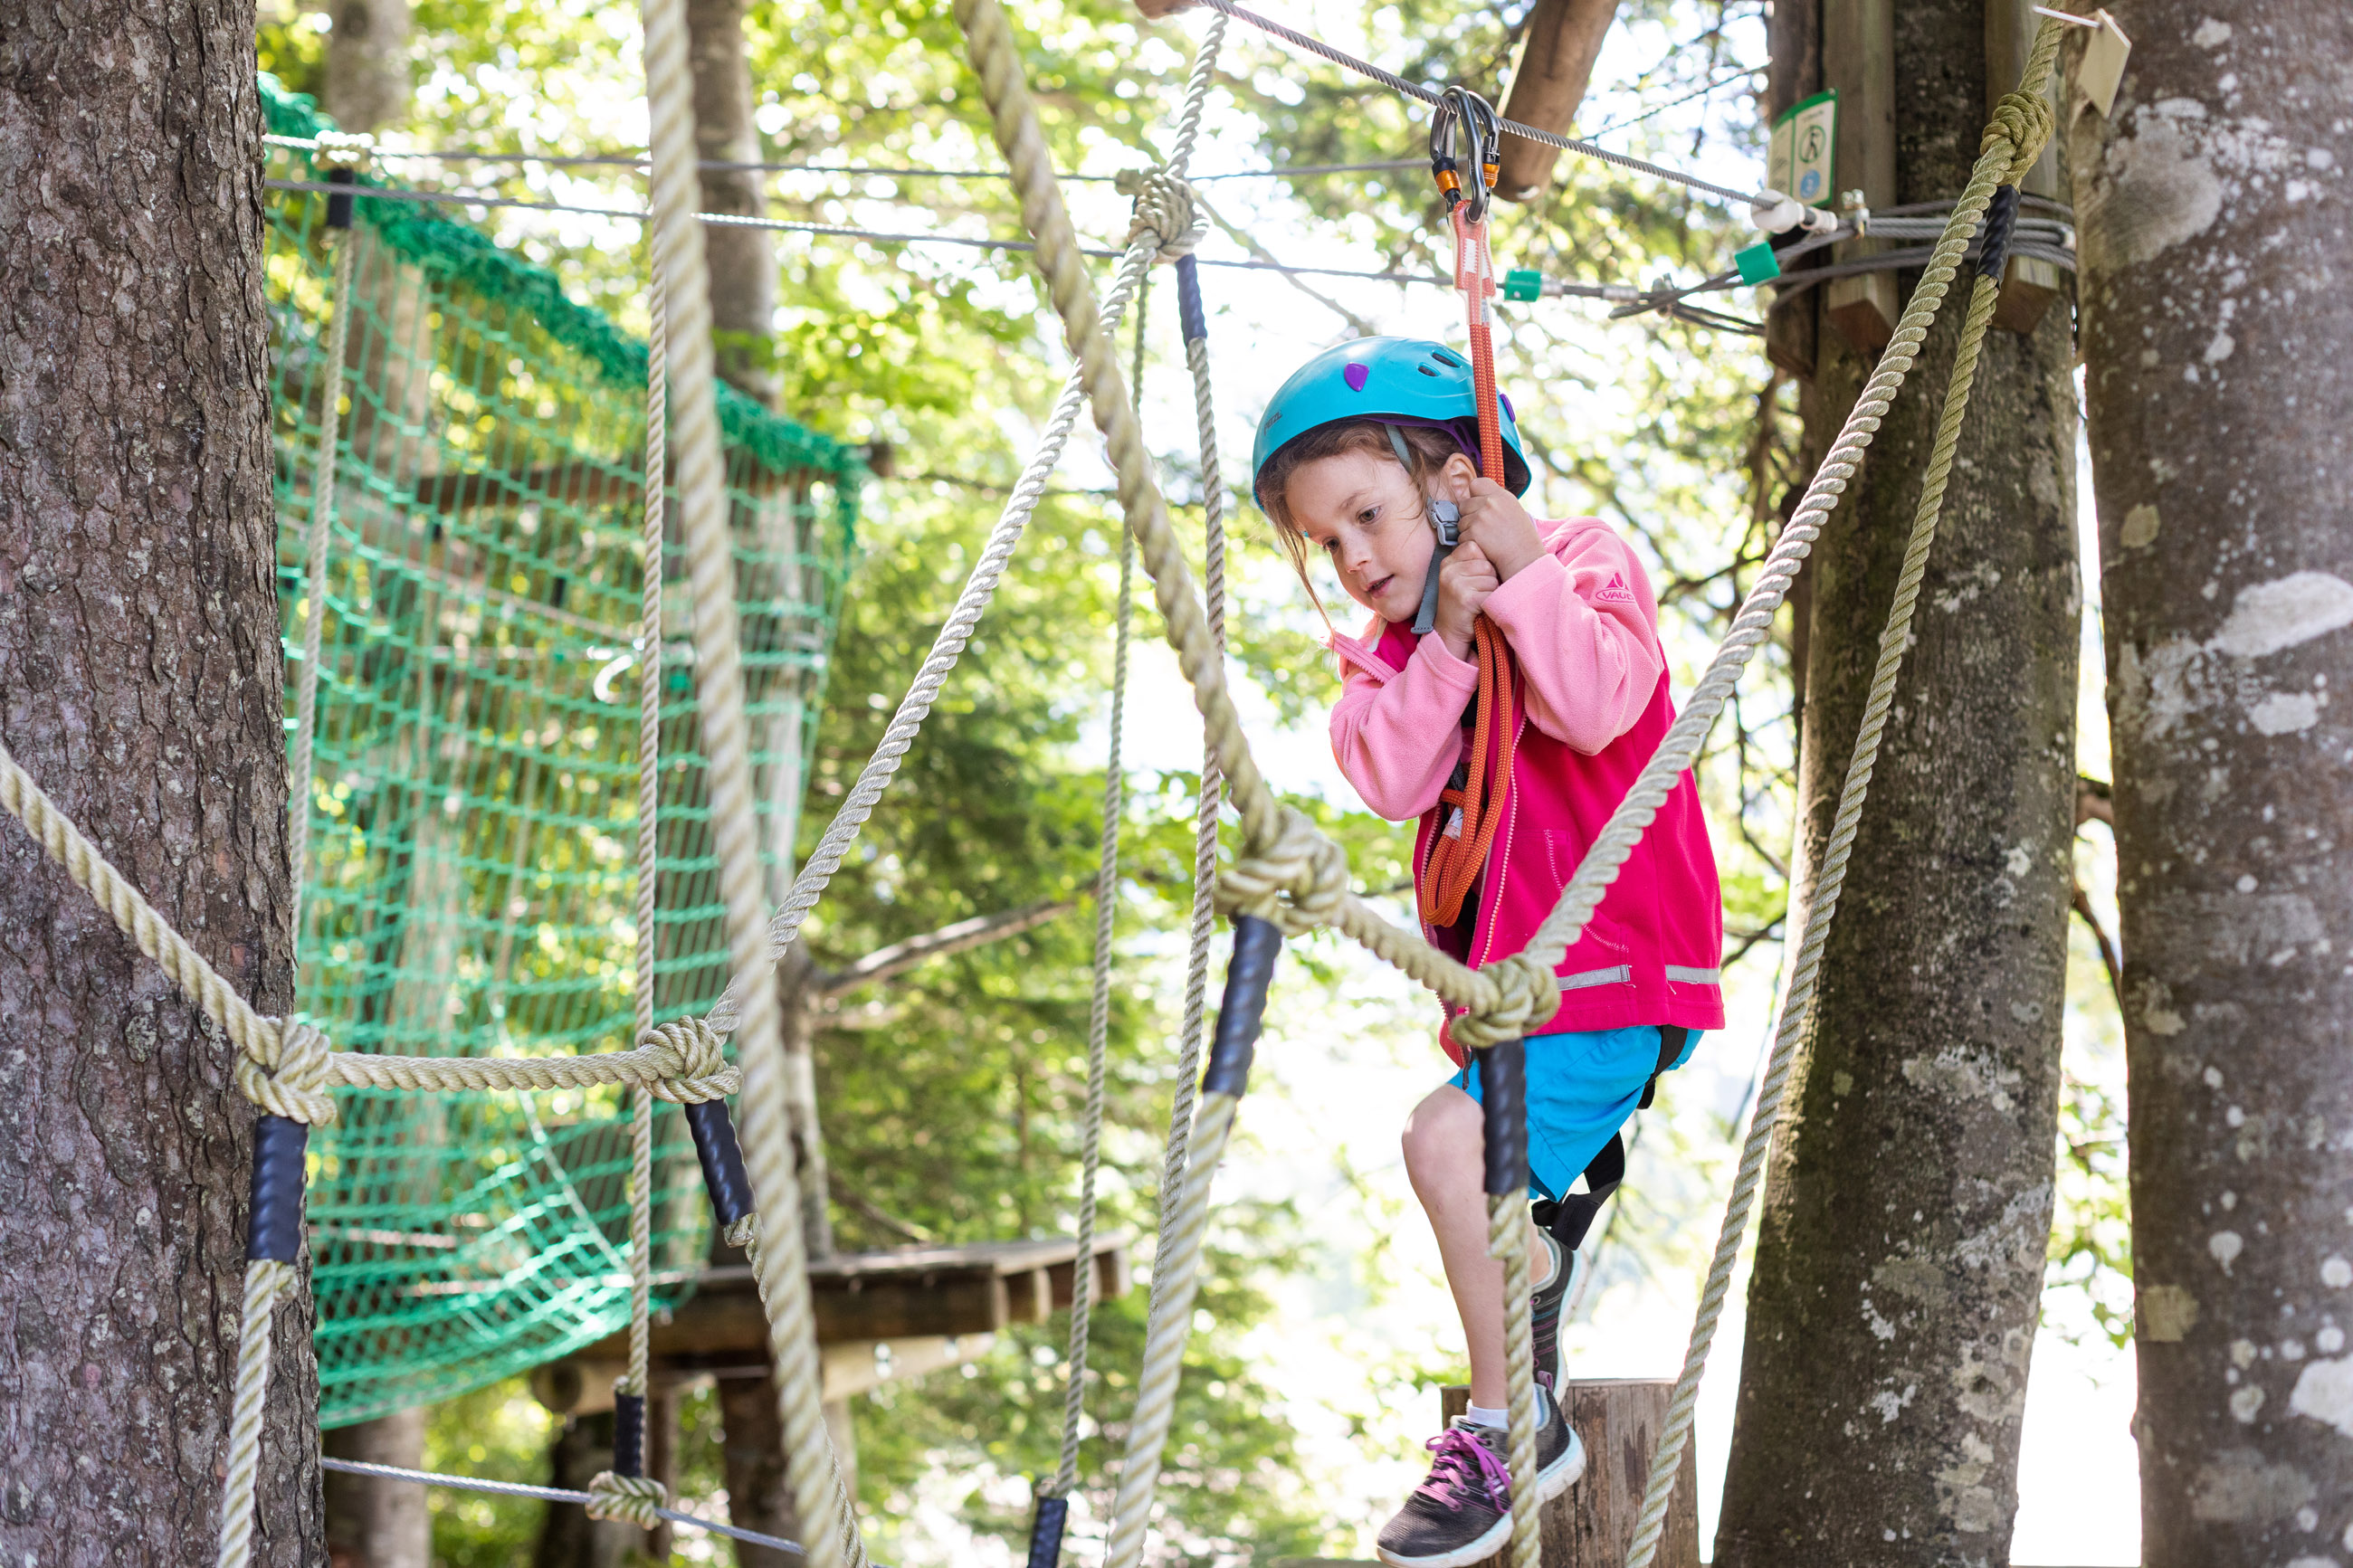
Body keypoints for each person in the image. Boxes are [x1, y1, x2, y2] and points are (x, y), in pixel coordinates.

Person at [1249, 337, 1724, 1568]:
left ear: (1453, 481)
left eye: (1370, 515)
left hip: (1613, 967)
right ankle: (1537, 1255)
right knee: (1460, 1150)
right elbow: (1388, 771)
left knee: (1441, 1138)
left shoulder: (1576, 563)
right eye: (1330, 544)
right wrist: (1447, 639)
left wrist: (1509, 570)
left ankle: (1511, 1419)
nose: (1357, 561)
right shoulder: (1396, 654)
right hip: (1513, 1000)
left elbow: (1599, 702)